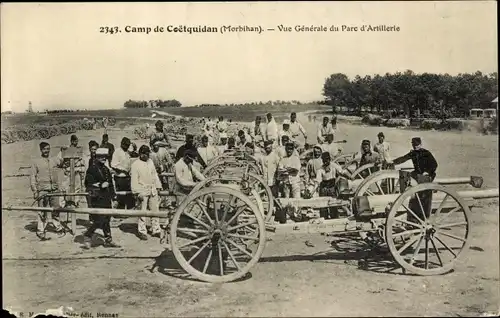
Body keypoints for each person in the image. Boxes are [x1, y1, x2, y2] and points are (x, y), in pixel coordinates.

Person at [82, 148, 120, 249]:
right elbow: (88, 184)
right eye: (101, 156)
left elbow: (111, 185)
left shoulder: (106, 169)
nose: (103, 158)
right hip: (97, 198)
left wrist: (114, 197)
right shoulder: (92, 169)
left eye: (105, 157)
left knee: (107, 219)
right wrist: (100, 185)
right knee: (99, 220)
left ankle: (108, 239)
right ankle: (87, 235)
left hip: (106, 198)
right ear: (96, 157)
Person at [30, 142, 65, 240]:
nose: (47, 151)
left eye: (48, 148)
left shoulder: (54, 160)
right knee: (42, 211)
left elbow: (62, 163)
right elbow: (32, 177)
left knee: (56, 209)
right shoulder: (36, 162)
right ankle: (41, 230)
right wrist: (35, 190)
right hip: (42, 190)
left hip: (54, 189)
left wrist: (63, 151)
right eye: (45, 149)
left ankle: (58, 228)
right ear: (41, 150)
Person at [131, 145, 163, 240]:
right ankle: (142, 230)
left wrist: (158, 186)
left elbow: (155, 175)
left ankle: (156, 229)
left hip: (152, 188)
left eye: (147, 154)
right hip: (142, 190)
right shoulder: (135, 164)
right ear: (140, 154)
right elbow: (134, 180)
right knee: (142, 211)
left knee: (155, 210)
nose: (146, 156)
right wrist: (137, 192)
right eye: (144, 154)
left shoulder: (150, 162)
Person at [314, 152, 351, 219]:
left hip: (332, 187)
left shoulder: (334, 165)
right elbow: (318, 181)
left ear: (329, 159)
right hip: (323, 188)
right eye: (324, 160)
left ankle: (334, 218)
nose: (325, 162)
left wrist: (350, 177)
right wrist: (313, 190)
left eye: (327, 160)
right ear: (322, 160)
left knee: (333, 205)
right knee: (323, 206)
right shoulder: (320, 169)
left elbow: (342, 171)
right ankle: (324, 220)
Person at [57, 134, 86, 207]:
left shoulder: (79, 150)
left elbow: (82, 163)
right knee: (65, 187)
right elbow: (59, 161)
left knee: (77, 188)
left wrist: (82, 173)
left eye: (76, 141)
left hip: (76, 172)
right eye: (74, 141)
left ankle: (76, 202)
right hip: (68, 172)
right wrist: (64, 163)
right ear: (71, 141)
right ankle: (63, 204)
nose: (75, 143)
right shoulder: (65, 150)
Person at [111, 137, 134, 210]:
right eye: (126, 145)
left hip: (127, 177)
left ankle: (129, 212)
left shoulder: (127, 152)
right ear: (122, 144)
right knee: (121, 196)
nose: (127, 147)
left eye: (128, 145)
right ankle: (120, 213)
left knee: (129, 195)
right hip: (120, 177)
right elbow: (113, 165)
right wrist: (123, 170)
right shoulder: (117, 152)